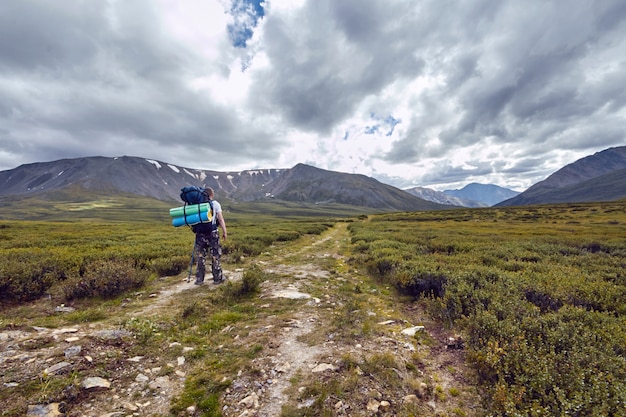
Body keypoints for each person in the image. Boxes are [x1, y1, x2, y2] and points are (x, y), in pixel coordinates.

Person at [191, 187, 227, 285]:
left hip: (200, 234)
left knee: (200, 256)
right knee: (215, 255)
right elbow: (220, 219)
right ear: (211, 194)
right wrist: (224, 231)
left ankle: (199, 279)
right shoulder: (215, 204)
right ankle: (217, 278)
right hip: (213, 233)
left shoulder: (197, 205)